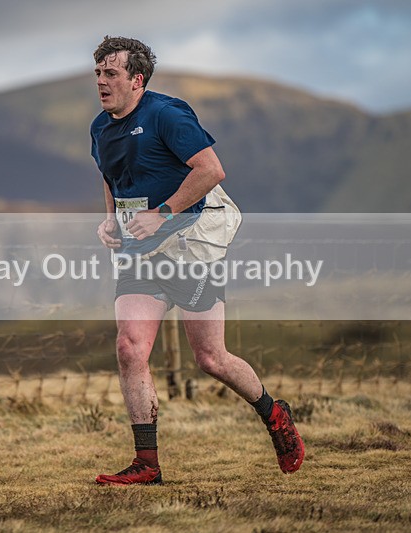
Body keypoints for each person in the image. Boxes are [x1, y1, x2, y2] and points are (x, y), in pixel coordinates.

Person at [91, 36, 304, 485]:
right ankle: (147, 464)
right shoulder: (100, 127)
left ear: (137, 79)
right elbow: (110, 176)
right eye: (98, 74)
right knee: (130, 348)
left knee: (211, 358)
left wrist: (163, 213)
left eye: (111, 74)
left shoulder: (167, 114)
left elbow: (211, 170)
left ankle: (274, 413)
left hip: (192, 243)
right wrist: (110, 220)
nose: (102, 82)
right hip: (141, 252)